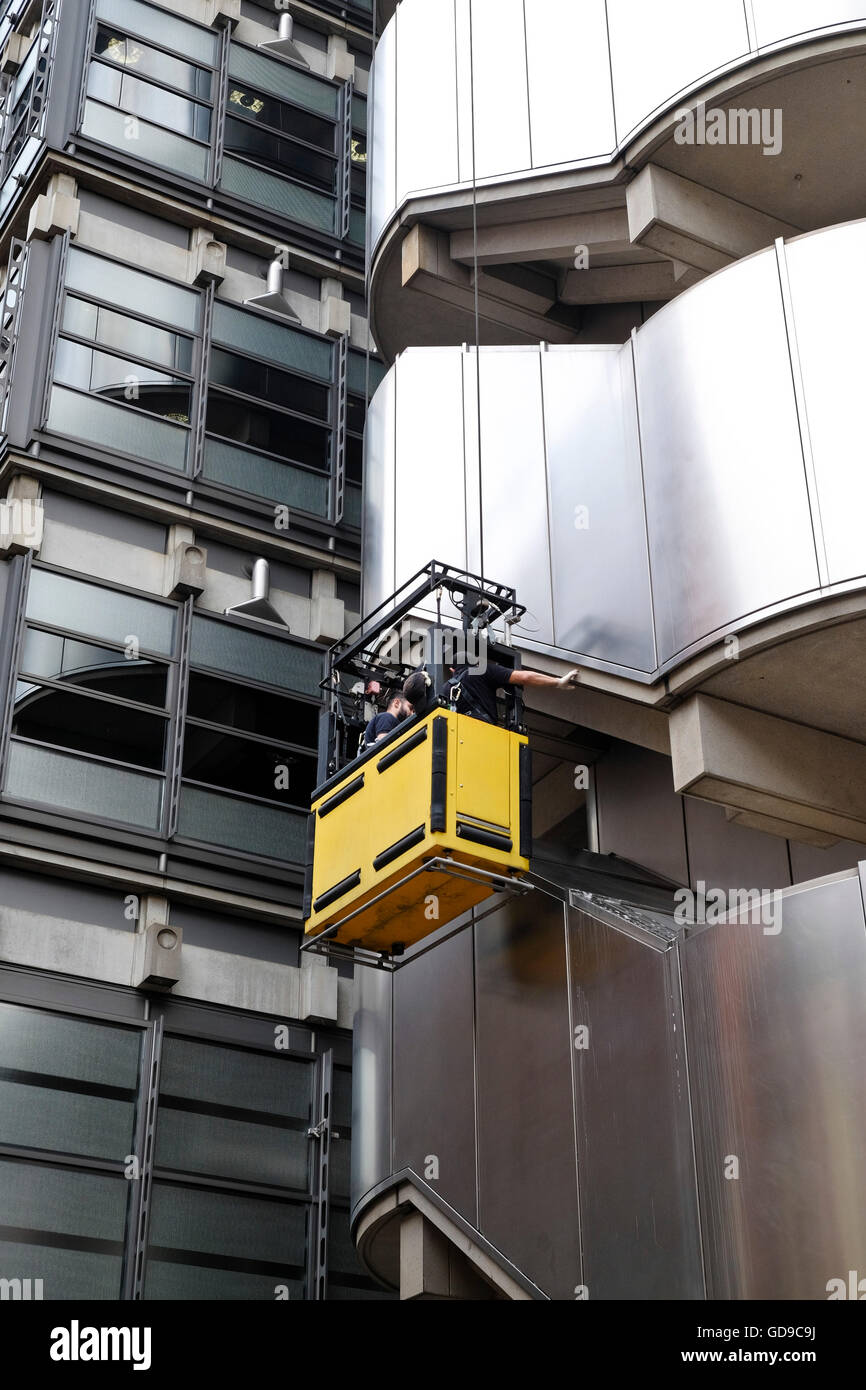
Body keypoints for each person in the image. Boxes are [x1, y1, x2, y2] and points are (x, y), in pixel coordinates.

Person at [403, 661, 579, 725]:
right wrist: (558, 682)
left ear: (452, 670)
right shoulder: (483, 670)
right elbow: (525, 677)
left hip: (460, 741)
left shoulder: (444, 690)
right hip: (486, 733)